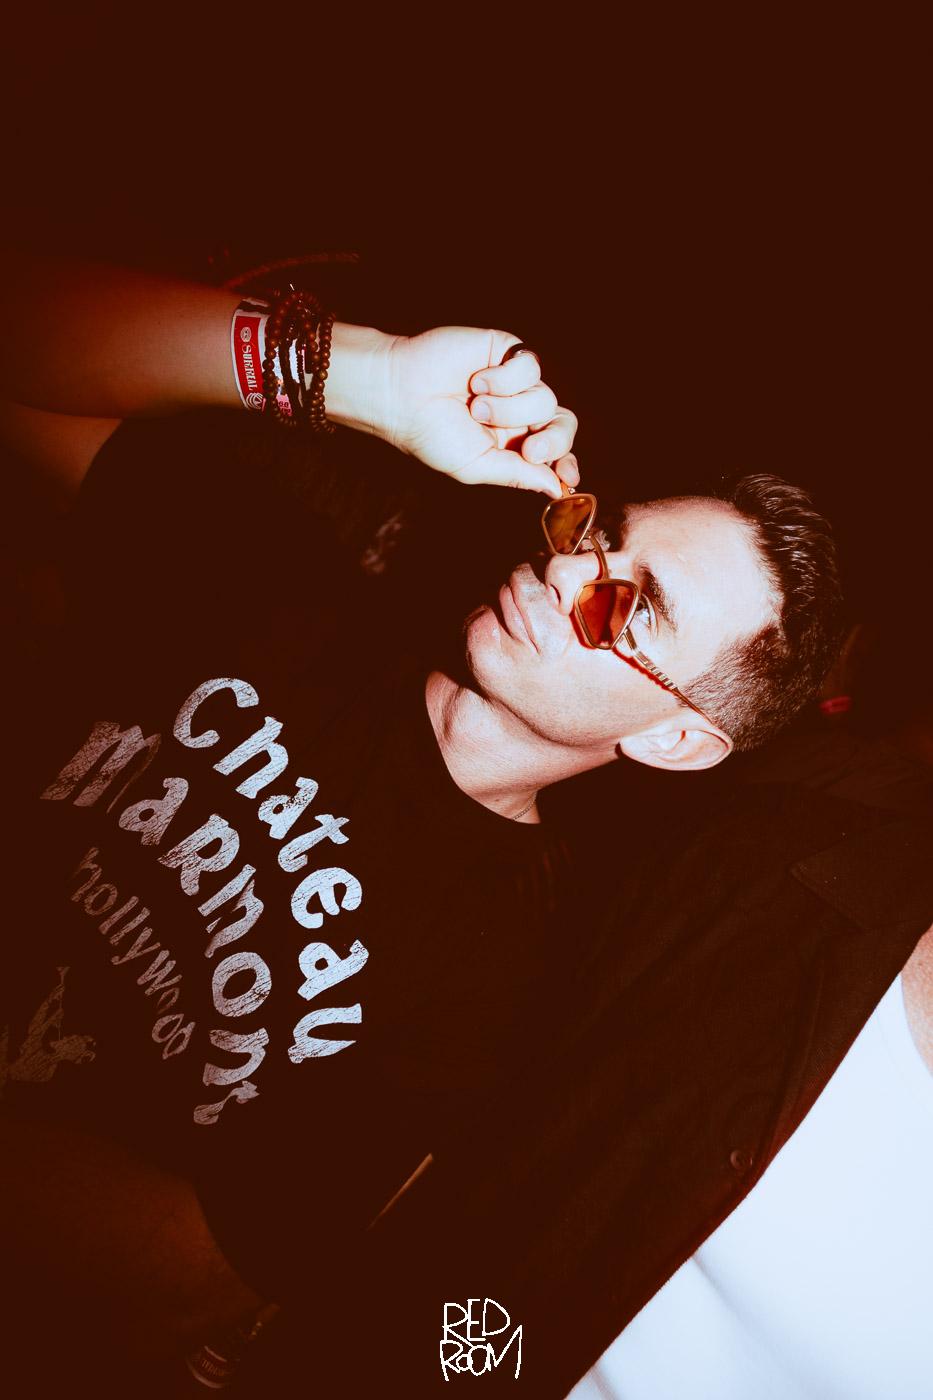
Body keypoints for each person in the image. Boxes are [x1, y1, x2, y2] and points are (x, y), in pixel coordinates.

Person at [0, 260, 845, 1392]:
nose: (566, 574)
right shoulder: (290, 595)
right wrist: (372, 379)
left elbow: (190, 1266)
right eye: (599, 534)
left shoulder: (503, 989)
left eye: (630, 606)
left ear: (676, 739)